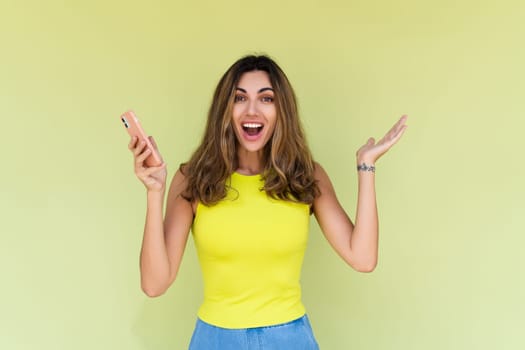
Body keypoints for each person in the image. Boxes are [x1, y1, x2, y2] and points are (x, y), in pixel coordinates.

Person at [127, 55, 407, 350]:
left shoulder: (305, 176)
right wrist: (154, 192)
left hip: (290, 339)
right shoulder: (194, 178)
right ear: (225, 109)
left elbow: (362, 258)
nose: (252, 110)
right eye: (239, 98)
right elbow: (154, 284)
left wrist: (366, 166)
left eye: (266, 99)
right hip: (215, 340)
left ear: (281, 110)